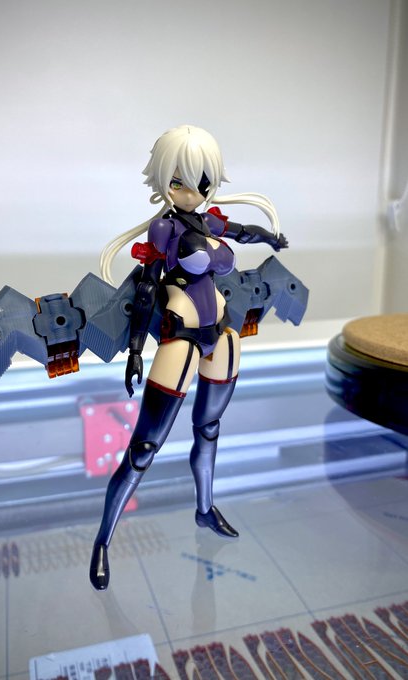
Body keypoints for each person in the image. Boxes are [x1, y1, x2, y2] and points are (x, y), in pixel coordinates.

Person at [90, 125, 287, 590]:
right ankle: (102, 542)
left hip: (221, 332)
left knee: (209, 428)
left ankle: (204, 509)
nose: (192, 192)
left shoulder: (210, 222)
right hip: (179, 335)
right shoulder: (164, 229)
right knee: (143, 449)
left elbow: (243, 232)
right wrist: (135, 350)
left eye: (202, 182)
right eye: (179, 181)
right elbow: (146, 289)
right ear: (164, 181)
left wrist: (271, 238)